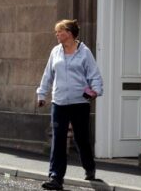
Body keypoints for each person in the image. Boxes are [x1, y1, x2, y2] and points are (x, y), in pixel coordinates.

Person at [36, 19, 103, 190]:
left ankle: (89, 167)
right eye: (56, 32)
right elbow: (48, 74)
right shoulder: (55, 52)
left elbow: (94, 75)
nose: (57, 34)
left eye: (60, 31)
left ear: (69, 33)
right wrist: (41, 94)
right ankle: (55, 177)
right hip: (59, 102)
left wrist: (95, 90)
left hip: (79, 103)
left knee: (81, 139)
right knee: (58, 139)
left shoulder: (84, 52)